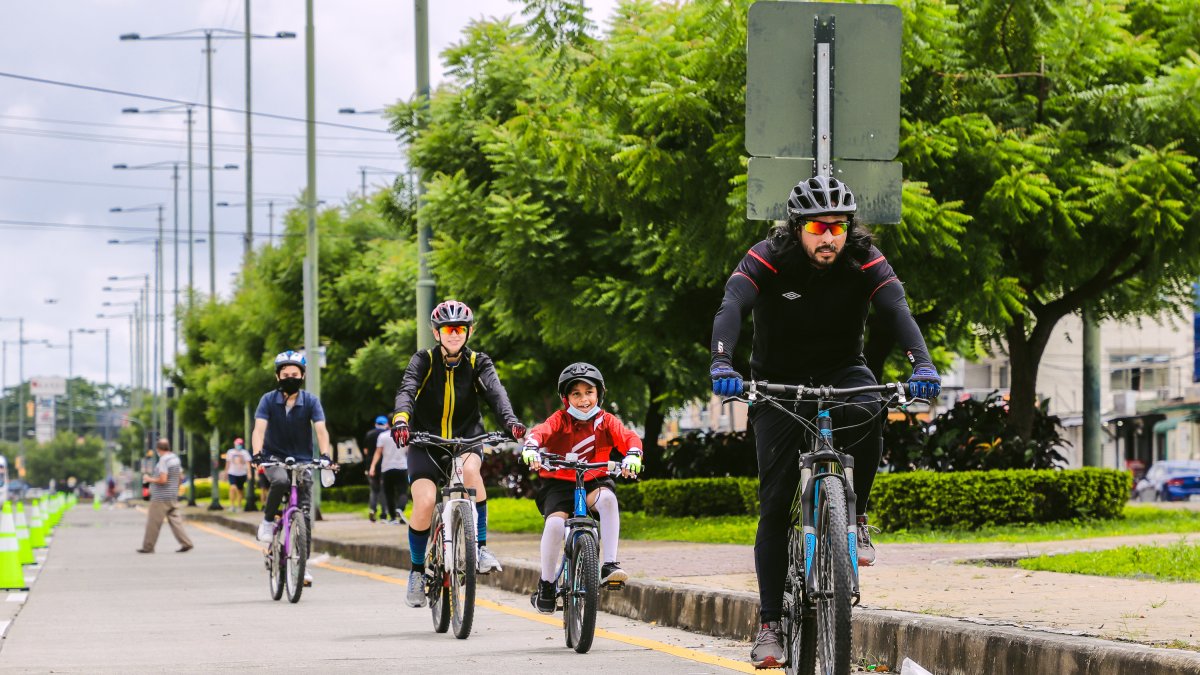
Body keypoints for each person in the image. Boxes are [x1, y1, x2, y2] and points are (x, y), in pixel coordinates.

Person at [708, 175, 941, 669]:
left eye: (838, 226)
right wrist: (723, 363)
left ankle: (854, 519)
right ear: (798, 228)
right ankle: (770, 624)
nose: (829, 236)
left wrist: (922, 364)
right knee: (774, 505)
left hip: (841, 369)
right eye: (818, 226)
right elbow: (733, 303)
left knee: (872, 403)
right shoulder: (769, 254)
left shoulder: (863, 257)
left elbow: (896, 307)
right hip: (777, 379)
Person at [391, 300, 526, 608]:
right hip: (426, 440)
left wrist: (511, 422)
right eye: (448, 329)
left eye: (460, 329)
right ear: (436, 333)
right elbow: (407, 391)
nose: (454, 335)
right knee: (424, 502)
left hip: (466, 438)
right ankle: (416, 572)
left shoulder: (479, 362)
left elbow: (496, 393)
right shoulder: (423, 360)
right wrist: (401, 420)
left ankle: (479, 549)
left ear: (469, 331)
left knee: (469, 473)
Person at [519, 363, 643, 613]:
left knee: (608, 500)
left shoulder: (607, 421)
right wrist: (531, 447)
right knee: (554, 525)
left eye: (589, 392)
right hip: (558, 483)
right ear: (566, 398)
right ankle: (547, 583)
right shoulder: (560, 419)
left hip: (594, 481)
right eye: (576, 394)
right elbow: (540, 432)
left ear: (599, 394)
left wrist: (633, 455)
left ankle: (609, 564)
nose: (584, 399)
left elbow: (629, 437)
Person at [251, 350, 334, 586]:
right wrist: (257, 454)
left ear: (303, 375)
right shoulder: (268, 400)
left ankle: (303, 568)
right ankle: (268, 522)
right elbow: (259, 430)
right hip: (273, 458)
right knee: (280, 482)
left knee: (305, 518)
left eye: (294, 374)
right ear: (278, 376)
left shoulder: (311, 401)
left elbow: (321, 430)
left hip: (302, 459)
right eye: (285, 374)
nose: (290, 377)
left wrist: (325, 455)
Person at [137, 439, 194, 554]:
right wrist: (176, 490)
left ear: (158, 449)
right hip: (172, 495)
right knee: (176, 521)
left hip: (160, 498)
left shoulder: (163, 460)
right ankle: (186, 543)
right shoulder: (175, 459)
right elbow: (180, 477)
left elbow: (163, 479)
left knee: (153, 523)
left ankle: (148, 547)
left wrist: (149, 479)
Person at [370, 420, 409, 525]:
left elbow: (378, 453)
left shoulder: (383, 436)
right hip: (402, 467)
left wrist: (372, 466)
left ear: (388, 424)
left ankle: (392, 518)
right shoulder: (405, 435)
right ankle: (400, 509)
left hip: (386, 468)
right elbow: (409, 452)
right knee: (403, 492)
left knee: (389, 494)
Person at [363, 416, 388, 522]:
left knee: (373, 490)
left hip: (371, 466)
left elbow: (365, 451)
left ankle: (372, 509)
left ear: (376, 423)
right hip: (384, 465)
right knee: (383, 490)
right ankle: (383, 514)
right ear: (386, 424)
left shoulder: (369, 434)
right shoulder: (387, 435)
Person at [224, 438, 252, 513]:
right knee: (233, 487)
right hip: (232, 473)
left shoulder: (245, 452)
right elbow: (228, 463)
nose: (239, 445)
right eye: (237, 444)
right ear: (234, 444)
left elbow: (248, 463)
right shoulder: (230, 452)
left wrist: (249, 473)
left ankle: (239, 505)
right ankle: (232, 505)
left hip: (242, 474)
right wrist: (225, 472)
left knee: (240, 490)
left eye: (240, 444)